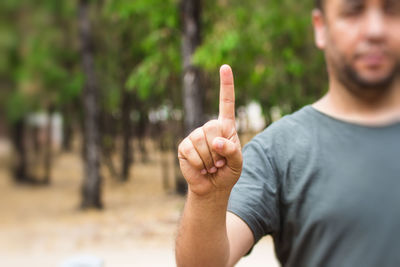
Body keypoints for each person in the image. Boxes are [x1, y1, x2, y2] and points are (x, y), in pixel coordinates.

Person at [175, 0, 400, 266]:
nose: (375, 30)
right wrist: (207, 198)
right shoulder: (278, 151)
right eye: (353, 11)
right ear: (321, 27)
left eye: (392, 10)